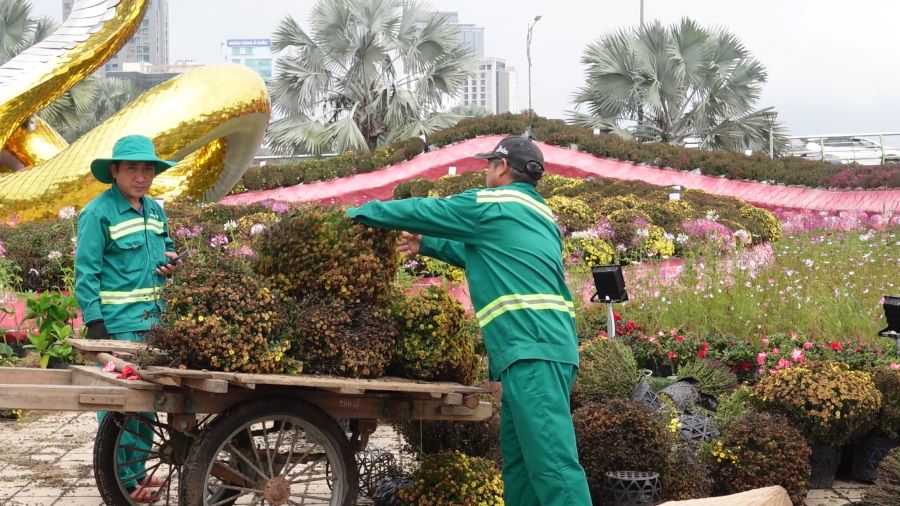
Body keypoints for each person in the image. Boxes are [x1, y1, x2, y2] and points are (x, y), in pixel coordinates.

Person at [346, 135, 591, 505]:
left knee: (553, 466)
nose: (486, 172)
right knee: (522, 467)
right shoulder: (537, 214)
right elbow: (487, 255)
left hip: (533, 352)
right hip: (537, 351)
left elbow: (427, 211)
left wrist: (361, 213)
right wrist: (427, 245)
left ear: (502, 166)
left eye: (488, 164)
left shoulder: (493, 205)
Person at [74, 135, 180, 503]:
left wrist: (171, 263)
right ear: (114, 171)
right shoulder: (97, 213)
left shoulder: (155, 210)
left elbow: (166, 249)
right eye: (132, 168)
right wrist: (95, 323)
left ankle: (135, 475)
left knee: (147, 408)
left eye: (147, 168)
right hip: (118, 327)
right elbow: (85, 272)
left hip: (155, 324)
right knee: (119, 411)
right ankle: (120, 482)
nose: (141, 176)